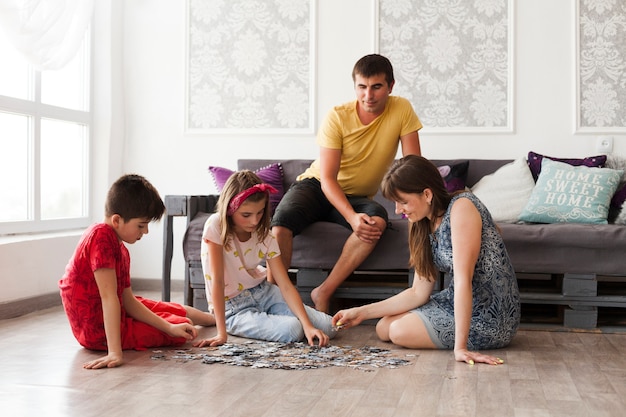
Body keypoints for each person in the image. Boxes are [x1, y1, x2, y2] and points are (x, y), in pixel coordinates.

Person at [332, 155, 521, 365]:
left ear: (427, 194)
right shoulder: (421, 222)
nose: (397, 210)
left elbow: (462, 281)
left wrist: (461, 348)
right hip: (455, 301)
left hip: (489, 317)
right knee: (383, 328)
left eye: (402, 201)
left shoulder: (462, 208)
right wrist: (360, 312)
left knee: (398, 330)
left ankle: (464, 340)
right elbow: (417, 293)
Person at [270, 53, 423, 312]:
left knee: (375, 222)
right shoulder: (337, 116)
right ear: (355, 87)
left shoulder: (402, 109)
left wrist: (417, 206)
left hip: (358, 195)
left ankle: (323, 292)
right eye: (362, 87)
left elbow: (412, 166)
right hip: (317, 186)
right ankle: (274, 301)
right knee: (280, 225)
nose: (368, 95)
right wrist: (352, 218)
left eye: (376, 87)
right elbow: (328, 178)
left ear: (391, 86)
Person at [59, 174, 216, 370]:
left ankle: (217, 318)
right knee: (182, 327)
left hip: (118, 309)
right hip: (97, 331)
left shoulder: (120, 248)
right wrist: (114, 353)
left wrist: (168, 325)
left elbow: (127, 299)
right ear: (117, 220)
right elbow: (109, 298)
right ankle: (208, 320)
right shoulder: (101, 237)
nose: (146, 232)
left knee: (172, 310)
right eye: (141, 225)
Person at [193, 170, 336, 348]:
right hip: (233, 307)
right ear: (229, 209)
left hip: (264, 292)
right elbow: (217, 281)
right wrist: (221, 333)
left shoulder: (265, 235)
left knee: (330, 327)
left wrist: (308, 325)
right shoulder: (216, 226)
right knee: (293, 330)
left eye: (259, 213)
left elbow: (284, 284)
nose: (254, 221)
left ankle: (292, 321)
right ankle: (244, 323)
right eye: (246, 215)